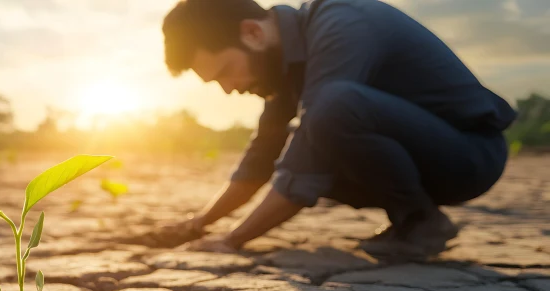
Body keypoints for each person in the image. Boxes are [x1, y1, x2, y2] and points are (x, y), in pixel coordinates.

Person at [160, 0, 516, 258]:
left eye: (224, 71)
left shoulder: (342, 21)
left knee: (330, 109)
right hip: (426, 156)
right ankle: (412, 221)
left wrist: (233, 240)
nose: (228, 88)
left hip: (470, 155)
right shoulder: (285, 69)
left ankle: (420, 221)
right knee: (308, 128)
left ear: (252, 32)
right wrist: (200, 223)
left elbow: (306, 156)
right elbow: (260, 159)